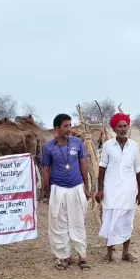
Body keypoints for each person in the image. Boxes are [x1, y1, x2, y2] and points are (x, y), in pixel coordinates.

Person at [42, 113, 91, 270]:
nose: (69, 129)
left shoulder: (77, 143)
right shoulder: (49, 147)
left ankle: (82, 256)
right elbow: (46, 171)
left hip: (76, 187)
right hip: (58, 189)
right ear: (57, 128)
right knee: (58, 223)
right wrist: (48, 192)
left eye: (70, 125)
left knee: (78, 222)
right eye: (66, 126)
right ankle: (64, 257)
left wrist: (87, 186)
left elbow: (83, 164)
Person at [96, 112, 140, 263]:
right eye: (120, 126)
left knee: (126, 221)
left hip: (129, 191)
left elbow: (138, 170)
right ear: (114, 129)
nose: (123, 129)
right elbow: (102, 169)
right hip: (111, 191)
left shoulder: (134, 146)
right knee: (109, 220)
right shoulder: (108, 146)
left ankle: (125, 253)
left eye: (125, 126)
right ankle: (109, 254)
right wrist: (100, 189)